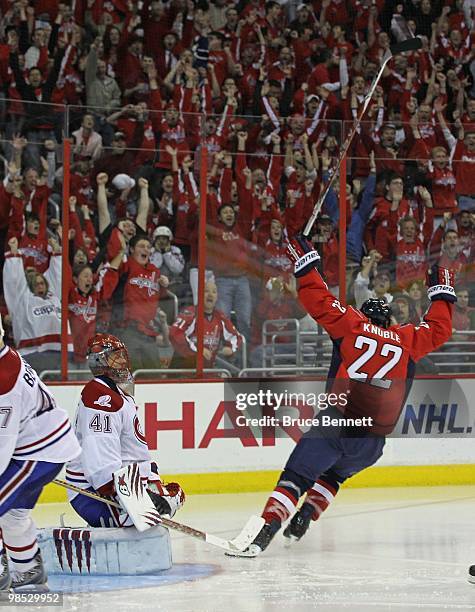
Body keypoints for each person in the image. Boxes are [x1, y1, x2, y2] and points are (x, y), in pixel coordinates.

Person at [238, 234, 455, 556]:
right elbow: (440, 329)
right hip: (373, 443)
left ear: (366, 316)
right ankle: (308, 513)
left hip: (337, 424)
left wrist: (306, 263)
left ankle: (264, 529)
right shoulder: (407, 339)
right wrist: (442, 292)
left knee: (296, 476)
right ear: (389, 320)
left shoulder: (353, 324)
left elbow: (319, 300)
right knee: (335, 474)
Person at [66, 333, 184, 528]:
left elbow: (136, 453)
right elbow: (101, 467)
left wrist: (154, 482)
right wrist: (137, 499)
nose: (122, 360)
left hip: (123, 488)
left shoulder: (119, 394)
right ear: (99, 361)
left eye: (122, 355)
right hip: (96, 494)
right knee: (147, 531)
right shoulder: (100, 397)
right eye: (115, 355)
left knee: (171, 498)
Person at [0, 315, 81, 590]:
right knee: (13, 515)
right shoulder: (5, 359)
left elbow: (2, 446)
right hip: (42, 447)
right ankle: (28, 572)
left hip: (36, 452)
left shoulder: (4, 379)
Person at [3, 236, 72, 372]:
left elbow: (58, 276)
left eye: (41, 283)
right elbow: (14, 282)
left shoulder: (54, 295)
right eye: (35, 283)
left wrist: (57, 250)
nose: (39, 286)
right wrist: (14, 253)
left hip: (60, 351)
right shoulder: (23, 299)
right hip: (32, 353)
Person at [169, 281, 242, 370]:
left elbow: (236, 337)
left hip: (206, 372)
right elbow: (175, 333)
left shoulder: (220, 317)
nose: (210, 295)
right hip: (184, 373)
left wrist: (231, 348)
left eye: (214, 292)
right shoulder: (190, 314)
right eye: (206, 291)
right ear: (199, 294)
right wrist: (198, 350)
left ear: (217, 297)